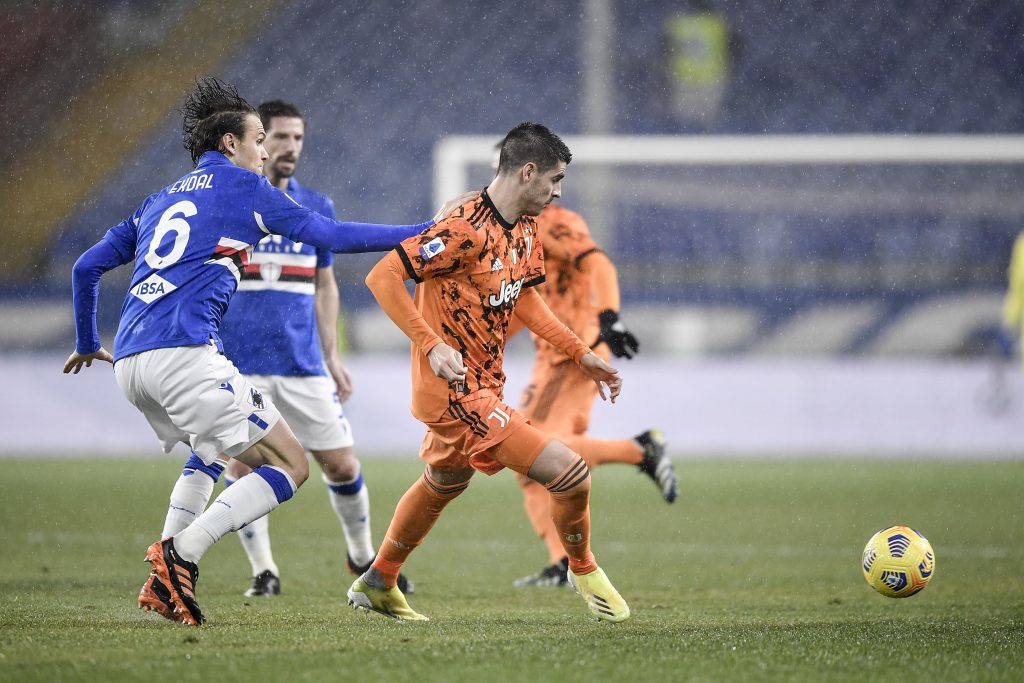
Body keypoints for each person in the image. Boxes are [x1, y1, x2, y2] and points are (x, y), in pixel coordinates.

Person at [62, 77, 463, 626]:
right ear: (230, 144)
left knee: (210, 453)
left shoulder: (160, 198)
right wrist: (429, 229)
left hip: (130, 363)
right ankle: (180, 556)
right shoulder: (245, 189)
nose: (267, 151)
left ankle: (163, 583)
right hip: (184, 356)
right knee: (291, 464)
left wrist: (88, 341)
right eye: (258, 140)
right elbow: (331, 235)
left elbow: (86, 267)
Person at [346, 122, 631, 623]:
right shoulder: (463, 227)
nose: (558, 191)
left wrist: (581, 351)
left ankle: (379, 579)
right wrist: (431, 344)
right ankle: (580, 567)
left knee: (443, 482)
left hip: (485, 381)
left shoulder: (524, 227)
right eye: (555, 179)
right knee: (569, 474)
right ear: (528, 172)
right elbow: (383, 275)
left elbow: (525, 297)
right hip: (454, 391)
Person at [213, 99, 410, 597]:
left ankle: (363, 557)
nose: (289, 147)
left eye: (298, 138)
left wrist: (333, 356)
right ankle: (264, 571)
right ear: (258, 141)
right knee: (243, 465)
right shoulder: (233, 203)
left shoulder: (315, 207)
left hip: (302, 365)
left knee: (342, 465)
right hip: (243, 366)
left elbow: (325, 287)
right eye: (279, 137)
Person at [507, 178, 678, 589]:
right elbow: (522, 304)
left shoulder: (554, 222)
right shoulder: (518, 230)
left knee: (527, 450)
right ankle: (563, 564)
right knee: (534, 466)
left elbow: (599, 263)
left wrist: (609, 316)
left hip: (572, 353)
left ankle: (639, 450)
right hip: (556, 354)